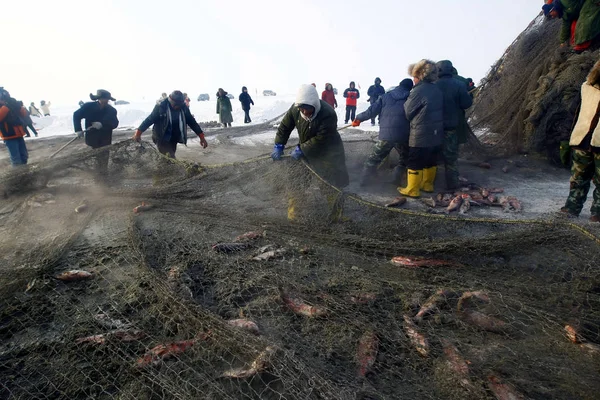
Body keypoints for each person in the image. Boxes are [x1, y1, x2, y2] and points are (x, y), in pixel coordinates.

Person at [271, 84, 349, 221]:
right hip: (306, 148)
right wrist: (279, 144)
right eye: (302, 108)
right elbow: (284, 127)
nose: (305, 112)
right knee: (296, 179)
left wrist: (302, 148)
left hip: (328, 151)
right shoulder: (295, 110)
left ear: (314, 105)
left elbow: (322, 138)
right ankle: (294, 212)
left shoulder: (328, 113)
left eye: (308, 108)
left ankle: (337, 213)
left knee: (328, 182)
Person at [353, 79, 414, 186]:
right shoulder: (411, 98)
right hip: (404, 135)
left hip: (386, 134)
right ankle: (396, 180)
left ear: (399, 85)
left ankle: (363, 183)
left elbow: (371, 111)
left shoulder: (386, 96)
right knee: (405, 159)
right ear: (410, 88)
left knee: (373, 159)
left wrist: (358, 118)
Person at [561, 60, 600, 222]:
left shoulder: (586, 87)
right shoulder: (586, 87)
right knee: (579, 177)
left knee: (590, 179)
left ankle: (591, 212)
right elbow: (576, 112)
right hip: (585, 139)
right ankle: (575, 208)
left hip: (591, 140)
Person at [400, 60, 444, 198]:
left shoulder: (418, 90)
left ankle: (412, 189)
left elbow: (408, 111)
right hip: (436, 131)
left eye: (414, 76)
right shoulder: (436, 88)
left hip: (420, 131)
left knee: (415, 160)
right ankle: (428, 184)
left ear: (419, 75)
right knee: (431, 158)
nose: (413, 79)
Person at [134, 90, 208, 158]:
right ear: (170, 101)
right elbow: (149, 120)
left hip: (174, 138)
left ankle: (160, 169)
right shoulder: (161, 106)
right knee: (170, 158)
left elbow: (192, 122)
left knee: (167, 158)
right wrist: (138, 133)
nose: (177, 107)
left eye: (179, 106)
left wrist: (202, 137)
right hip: (161, 137)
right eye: (175, 105)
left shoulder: (184, 108)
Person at [435, 60, 473, 190]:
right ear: (451, 70)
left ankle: (432, 183)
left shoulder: (432, 85)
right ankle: (452, 185)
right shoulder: (459, 85)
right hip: (452, 127)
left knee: (432, 155)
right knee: (451, 158)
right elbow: (466, 104)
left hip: (432, 128)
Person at [73, 90, 120, 175]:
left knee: (104, 156)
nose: (105, 101)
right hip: (92, 137)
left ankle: (103, 175)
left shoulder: (111, 110)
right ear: (98, 99)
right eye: (103, 99)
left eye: (107, 99)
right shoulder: (88, 107)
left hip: (105, 137)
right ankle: (95, 174)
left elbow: (115, 124)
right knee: (94, 156)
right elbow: (76, 115)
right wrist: (78, 129)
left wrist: (102, 124)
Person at [0, 88, 29, 166]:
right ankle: (17, 176)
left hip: (19, 133)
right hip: (9, 135)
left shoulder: (10, 105)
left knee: (24, 156)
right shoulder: (4, 107)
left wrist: (19, 107)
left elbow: (23, 114)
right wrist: (6, 107)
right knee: (16, 158)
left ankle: (25, 172)